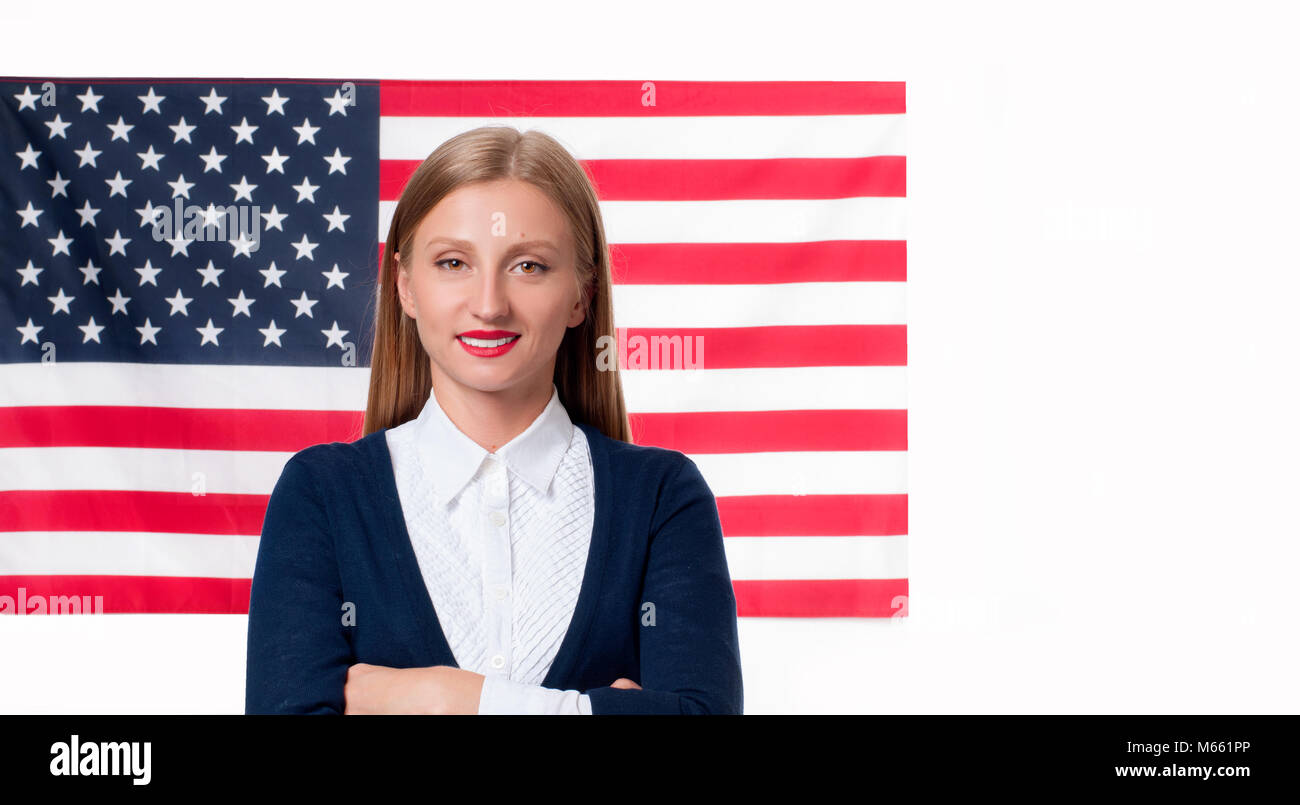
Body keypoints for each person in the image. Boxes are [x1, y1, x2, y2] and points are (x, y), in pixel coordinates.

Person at [245, 125, 743, 714]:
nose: (489, 303)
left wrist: (445, 700)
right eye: (453, 262)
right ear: (405, 285)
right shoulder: (322, 494)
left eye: (529, 266)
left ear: (582, 294)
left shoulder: (662, 497)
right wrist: (586, 708)